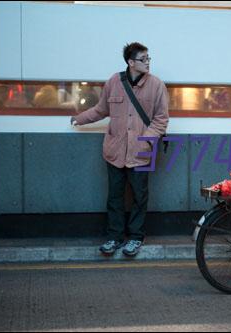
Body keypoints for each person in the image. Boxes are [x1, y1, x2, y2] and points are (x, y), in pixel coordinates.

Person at [70, 42, 169, 256]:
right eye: (144, 59)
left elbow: (161, 119)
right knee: (114, 196)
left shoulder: (157, 85)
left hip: (141, 152)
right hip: (114, 151)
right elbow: (101, 109)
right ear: (131, 62)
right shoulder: (114, 82)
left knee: (139, 197)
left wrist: (146, 140)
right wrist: (79, 119)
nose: (148, 62)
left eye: (149, 58)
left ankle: (135, 238)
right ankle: (114, 237)